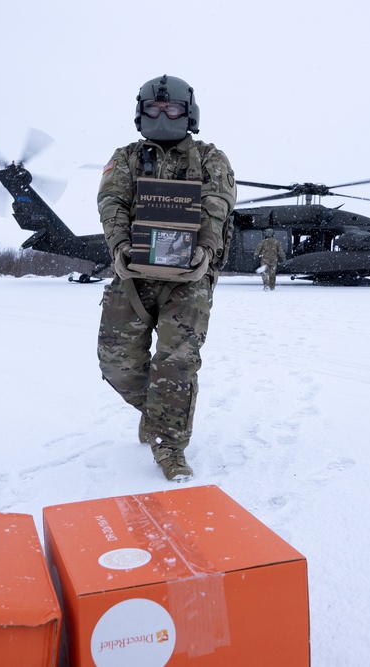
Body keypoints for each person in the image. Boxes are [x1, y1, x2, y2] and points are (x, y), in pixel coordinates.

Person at [97, 74, 237, 482]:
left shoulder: (211, 157)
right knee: (116, 363)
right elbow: (112, 201)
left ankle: (169, 446)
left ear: (188, 114)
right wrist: (119, 246)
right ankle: (158, 412)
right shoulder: (125, 158)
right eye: (154, 109)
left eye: (172, 109)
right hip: (132, 273)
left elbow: (217, 205)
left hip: (189, 278)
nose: (163, 115)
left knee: (176, 364)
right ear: (140, 114)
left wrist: (206, 250)